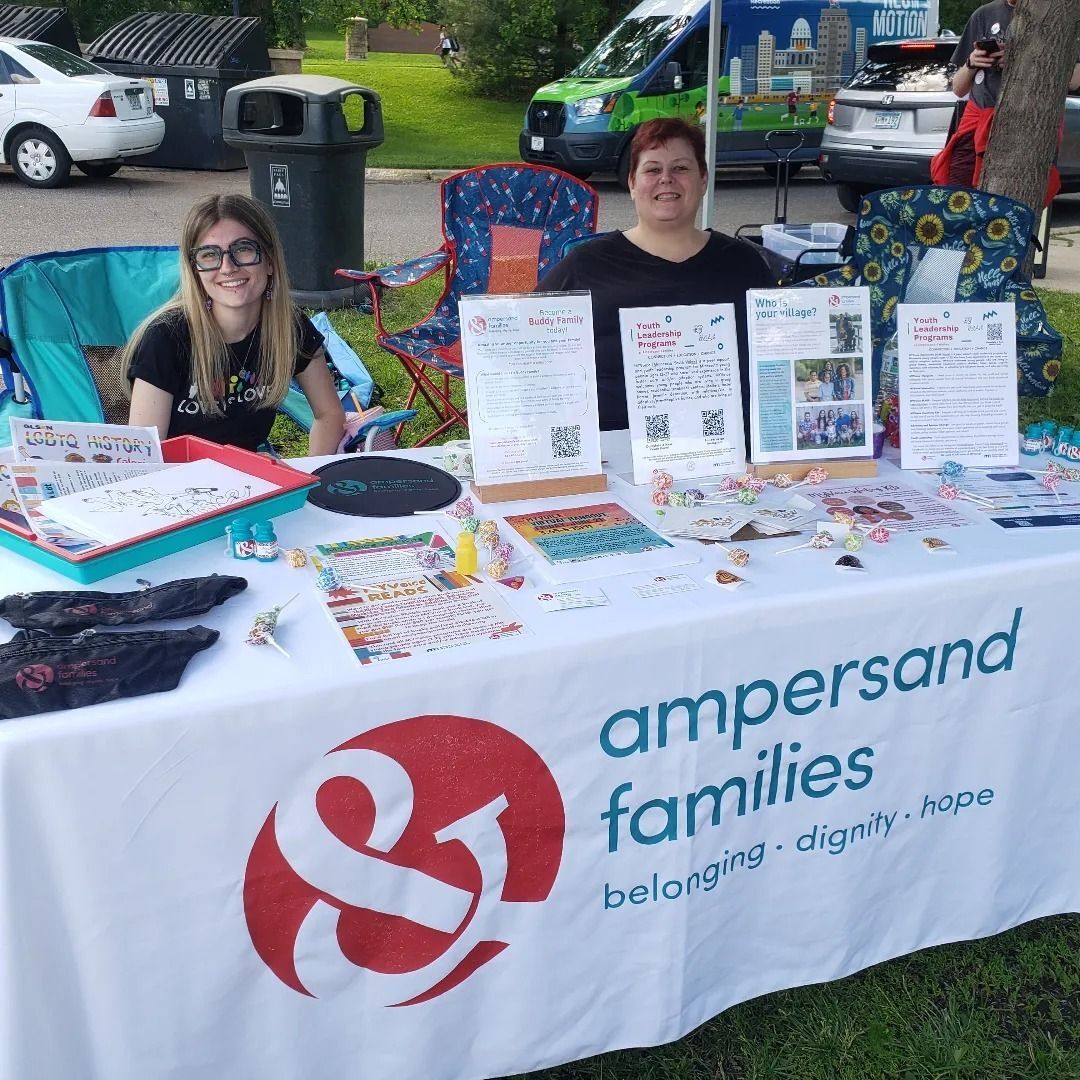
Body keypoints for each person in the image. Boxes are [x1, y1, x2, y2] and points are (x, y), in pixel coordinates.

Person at [538, 117, 775, 448]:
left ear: (703, 180)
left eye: (681, 168)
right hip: (611, 451)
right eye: (652, 170)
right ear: (633, 182)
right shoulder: (584, 266)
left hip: (727, 448)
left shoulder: (744, 263)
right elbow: (529, 349)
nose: (666, 179)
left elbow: (777, 356)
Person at [122, 194, 345, 455]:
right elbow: (144, 456)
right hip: (179, 484)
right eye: (209, 254)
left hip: (252, 478)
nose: (228, 267)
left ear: (270, 260)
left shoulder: (288, 327)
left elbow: (329, 414)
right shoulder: (167, 338)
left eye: (243, 249)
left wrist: (309, 477)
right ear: (195, 270)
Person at [931, 0, 1080, 201]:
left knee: (1006, 206)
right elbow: (958, 88)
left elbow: (1073, 81)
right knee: (956, 199)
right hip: (975, 121)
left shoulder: (1056, 15)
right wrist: (971, 62)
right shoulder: (984, 14)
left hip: (1024, 125)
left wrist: (1021, 60)